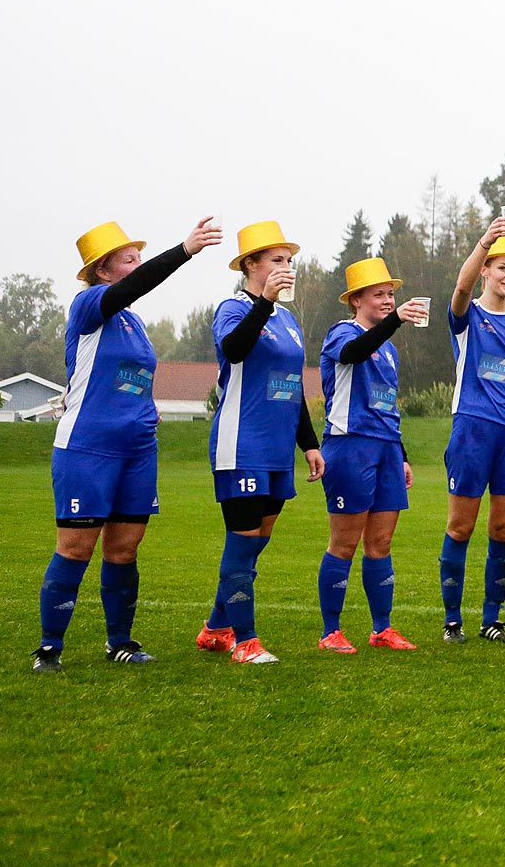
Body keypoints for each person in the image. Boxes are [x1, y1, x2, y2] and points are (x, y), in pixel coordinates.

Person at [31, 218, 224, 673]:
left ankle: (120, 642)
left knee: (124, 549)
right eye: (130, 259)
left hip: (137, 449)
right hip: (87, 447)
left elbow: (128, 377)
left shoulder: (134, 323)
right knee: (76, 548)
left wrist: (144, 408)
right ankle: (49, 648)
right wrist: (184, 250)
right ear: (104, 271)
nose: (137, 266)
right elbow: (136, 285)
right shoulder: (88, 304)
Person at [197, 221, 324, 666]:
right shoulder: (232, 308)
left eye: (289, 260)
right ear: (251, 265)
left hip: (275, 449)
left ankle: (215, 627)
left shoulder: (288, 320)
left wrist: (308, 443)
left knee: (255, 544)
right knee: (242, 539)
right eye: (276, 259)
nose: (286, 267)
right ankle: (245, 640)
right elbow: (234, 349)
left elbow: (291, 385)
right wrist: (264, 303)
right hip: (241, 442)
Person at [315, 257, 428, 654]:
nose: (387, 299)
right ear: (356, 299)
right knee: (343, 543)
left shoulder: (389, 350)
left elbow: (387, 406)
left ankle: (382, 628)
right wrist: (395, 319)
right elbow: (353, 354)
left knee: (380, 542)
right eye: (378, 294)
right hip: (349, 445)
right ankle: (331, 631)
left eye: (390, 294)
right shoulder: (342, 333)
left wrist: (402, 453)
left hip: (385, 448)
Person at [440, 216, 505, 644]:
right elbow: (460, 290)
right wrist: (484, 241)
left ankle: (491, 619)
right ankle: (452, 621)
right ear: (486, 270)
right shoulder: (469, 313)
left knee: (503, 530)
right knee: (461, 527)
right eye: (502, 267)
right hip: (474, 429)